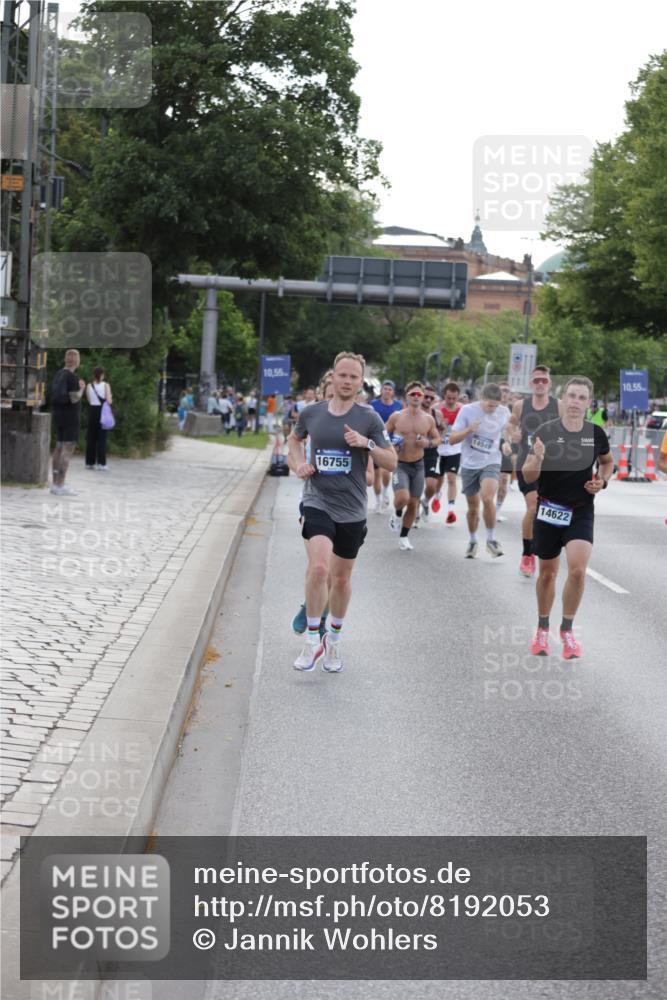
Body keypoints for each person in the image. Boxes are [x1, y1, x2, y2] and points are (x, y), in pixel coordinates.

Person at [288, 352, 396, 672]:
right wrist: (298, 464)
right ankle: (311, 642)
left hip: (351, 508)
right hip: (317, 499)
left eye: (353, 377)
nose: (347, 381)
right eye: (342, 375)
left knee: (341, 577)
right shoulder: (311, 413)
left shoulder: (369, 419)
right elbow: (294, 441)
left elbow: (391, 462)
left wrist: (366, 444)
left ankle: (333, 640)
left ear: (360, 382)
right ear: (332, 377)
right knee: (319, 568)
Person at [522, 376, 613, 660]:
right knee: (547, 573)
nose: (575, 402)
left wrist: (602, 480)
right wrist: (536, 458)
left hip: (581, 510)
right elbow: (528, 475)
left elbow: (607, 462)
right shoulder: (546, 432)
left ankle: (568, 630)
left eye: (581, 398)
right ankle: (542, 627)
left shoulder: (596, 433)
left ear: (588, 403)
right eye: (571, 396)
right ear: (564, 400)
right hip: (549, 508)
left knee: (576, 570)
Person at [507, 365, 561, 578]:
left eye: (544, 381)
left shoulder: (559, 406)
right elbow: (510, 425)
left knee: (547, 509)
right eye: (536, 380)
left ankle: (547, 548)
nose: (540, 384)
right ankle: (528, 554)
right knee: (533, 505)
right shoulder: (521, 405)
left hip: (551, 465)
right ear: (531, 384)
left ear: (549, 384)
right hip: (527, 463)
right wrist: (513, 435)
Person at [449, 382, 511, 559]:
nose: (492, 409)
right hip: (469, 464)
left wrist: (507, 444)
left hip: (491, 461)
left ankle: (491, 540)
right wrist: (469, 430)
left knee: (487, 497)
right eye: (489, 405)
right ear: (481, 399)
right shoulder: (467, 410)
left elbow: (507, 434)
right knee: (473, 508)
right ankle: (473, 540)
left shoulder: (504, 412)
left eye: (495, 405)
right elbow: (453, 439)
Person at [385, 381, 440, 550]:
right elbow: (383, 434)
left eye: (419, 394)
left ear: (423, 397)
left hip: (418, 465)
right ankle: (396, 513)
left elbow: (437, 439)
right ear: (407, 397)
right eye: (413, 394)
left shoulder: (428, 419)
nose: (416, 397)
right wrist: (391, 446)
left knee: (414, 503)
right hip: (400, 464)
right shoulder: (397, 416)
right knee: (402, 498)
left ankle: (404, 537)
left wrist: (427, 443)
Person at [50, 349, 86, 495]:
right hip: (71, 418)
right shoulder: (72, 377)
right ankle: (61, 484)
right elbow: (74, 398)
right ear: (77, 362)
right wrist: (82, 388)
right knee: (67, 450)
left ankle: (54, 483)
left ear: (65, 360)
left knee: (58, 449)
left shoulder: (59, 374)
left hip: (58, 417)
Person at [369, 379, 403, 512]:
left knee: (386, 472)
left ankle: (384, 492)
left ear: (393, 392)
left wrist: (397, 440)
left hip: (389, 442)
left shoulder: (398, 405)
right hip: (375, 441)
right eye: (385, 388)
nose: (387, 391)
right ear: (381, 390)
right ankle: (378, 501)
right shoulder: (373, 404)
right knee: (376, 473)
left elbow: (400, 424)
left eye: (390, 389)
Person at [431, 381, 462, 523]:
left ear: (458, 397)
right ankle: (437, 496)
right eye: (448, 398)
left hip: (454, 449)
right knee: (438, 480)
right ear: (444, 395)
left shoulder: (462, 409)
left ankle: (451, 510)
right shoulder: (436, 409)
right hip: (438, 449)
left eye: (454, 398)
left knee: (451, 478)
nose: (451, 401)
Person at [419, 385, 446, 524]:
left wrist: (440, 431)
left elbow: (443, 432)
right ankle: (414, 510)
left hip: (431, 452)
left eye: (431, 397)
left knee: (431, 486)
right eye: (426, 396)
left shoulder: (437, 414)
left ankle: (425, 501)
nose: (428, 399)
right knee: (415, 485)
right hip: (415, 451)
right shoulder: (414, 411)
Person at [85, 365, 113, 471]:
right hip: (102, 412)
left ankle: (89, 463)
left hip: (92, 411)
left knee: (91, 438)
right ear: (102, 375)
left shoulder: (89, 386)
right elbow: (109, 401)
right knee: (102, 438)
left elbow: (88, 400)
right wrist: (111, 397)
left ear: (93, 375)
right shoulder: (106, 385)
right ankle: (102, 463)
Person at [495, 382, 514, 521]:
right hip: (490, 445)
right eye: (502, 390)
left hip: (505, 444)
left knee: (503, 479)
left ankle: (497, 510)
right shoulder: (490, 407)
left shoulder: (513, 411)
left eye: (507, 391)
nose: (504, 393)